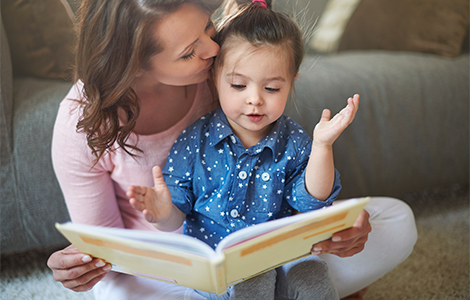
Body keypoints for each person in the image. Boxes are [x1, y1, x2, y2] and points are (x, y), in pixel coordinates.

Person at [47, 0, 418, 299]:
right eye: (190, 51)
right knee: (115, 293)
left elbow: (297, 188)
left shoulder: (226, 70)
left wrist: (340, 230)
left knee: (395, 220)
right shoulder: (83, 123)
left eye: (208, 27)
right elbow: (105, 249)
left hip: (270, 240)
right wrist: (78, 264)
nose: (213, 49)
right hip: (170, 264)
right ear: (135, 65)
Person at [127, 1, 357, 298]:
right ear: (214, 79)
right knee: (252, 277)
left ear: (291, 83)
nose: (255, 100)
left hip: (283, 255)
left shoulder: (295, 140)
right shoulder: (195, 141)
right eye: (238, 85)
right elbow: (177, 214)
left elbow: (311, 202)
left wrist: (323, 146)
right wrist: (162, 214)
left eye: (272, 88)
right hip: (219, 269)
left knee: (312, 273)